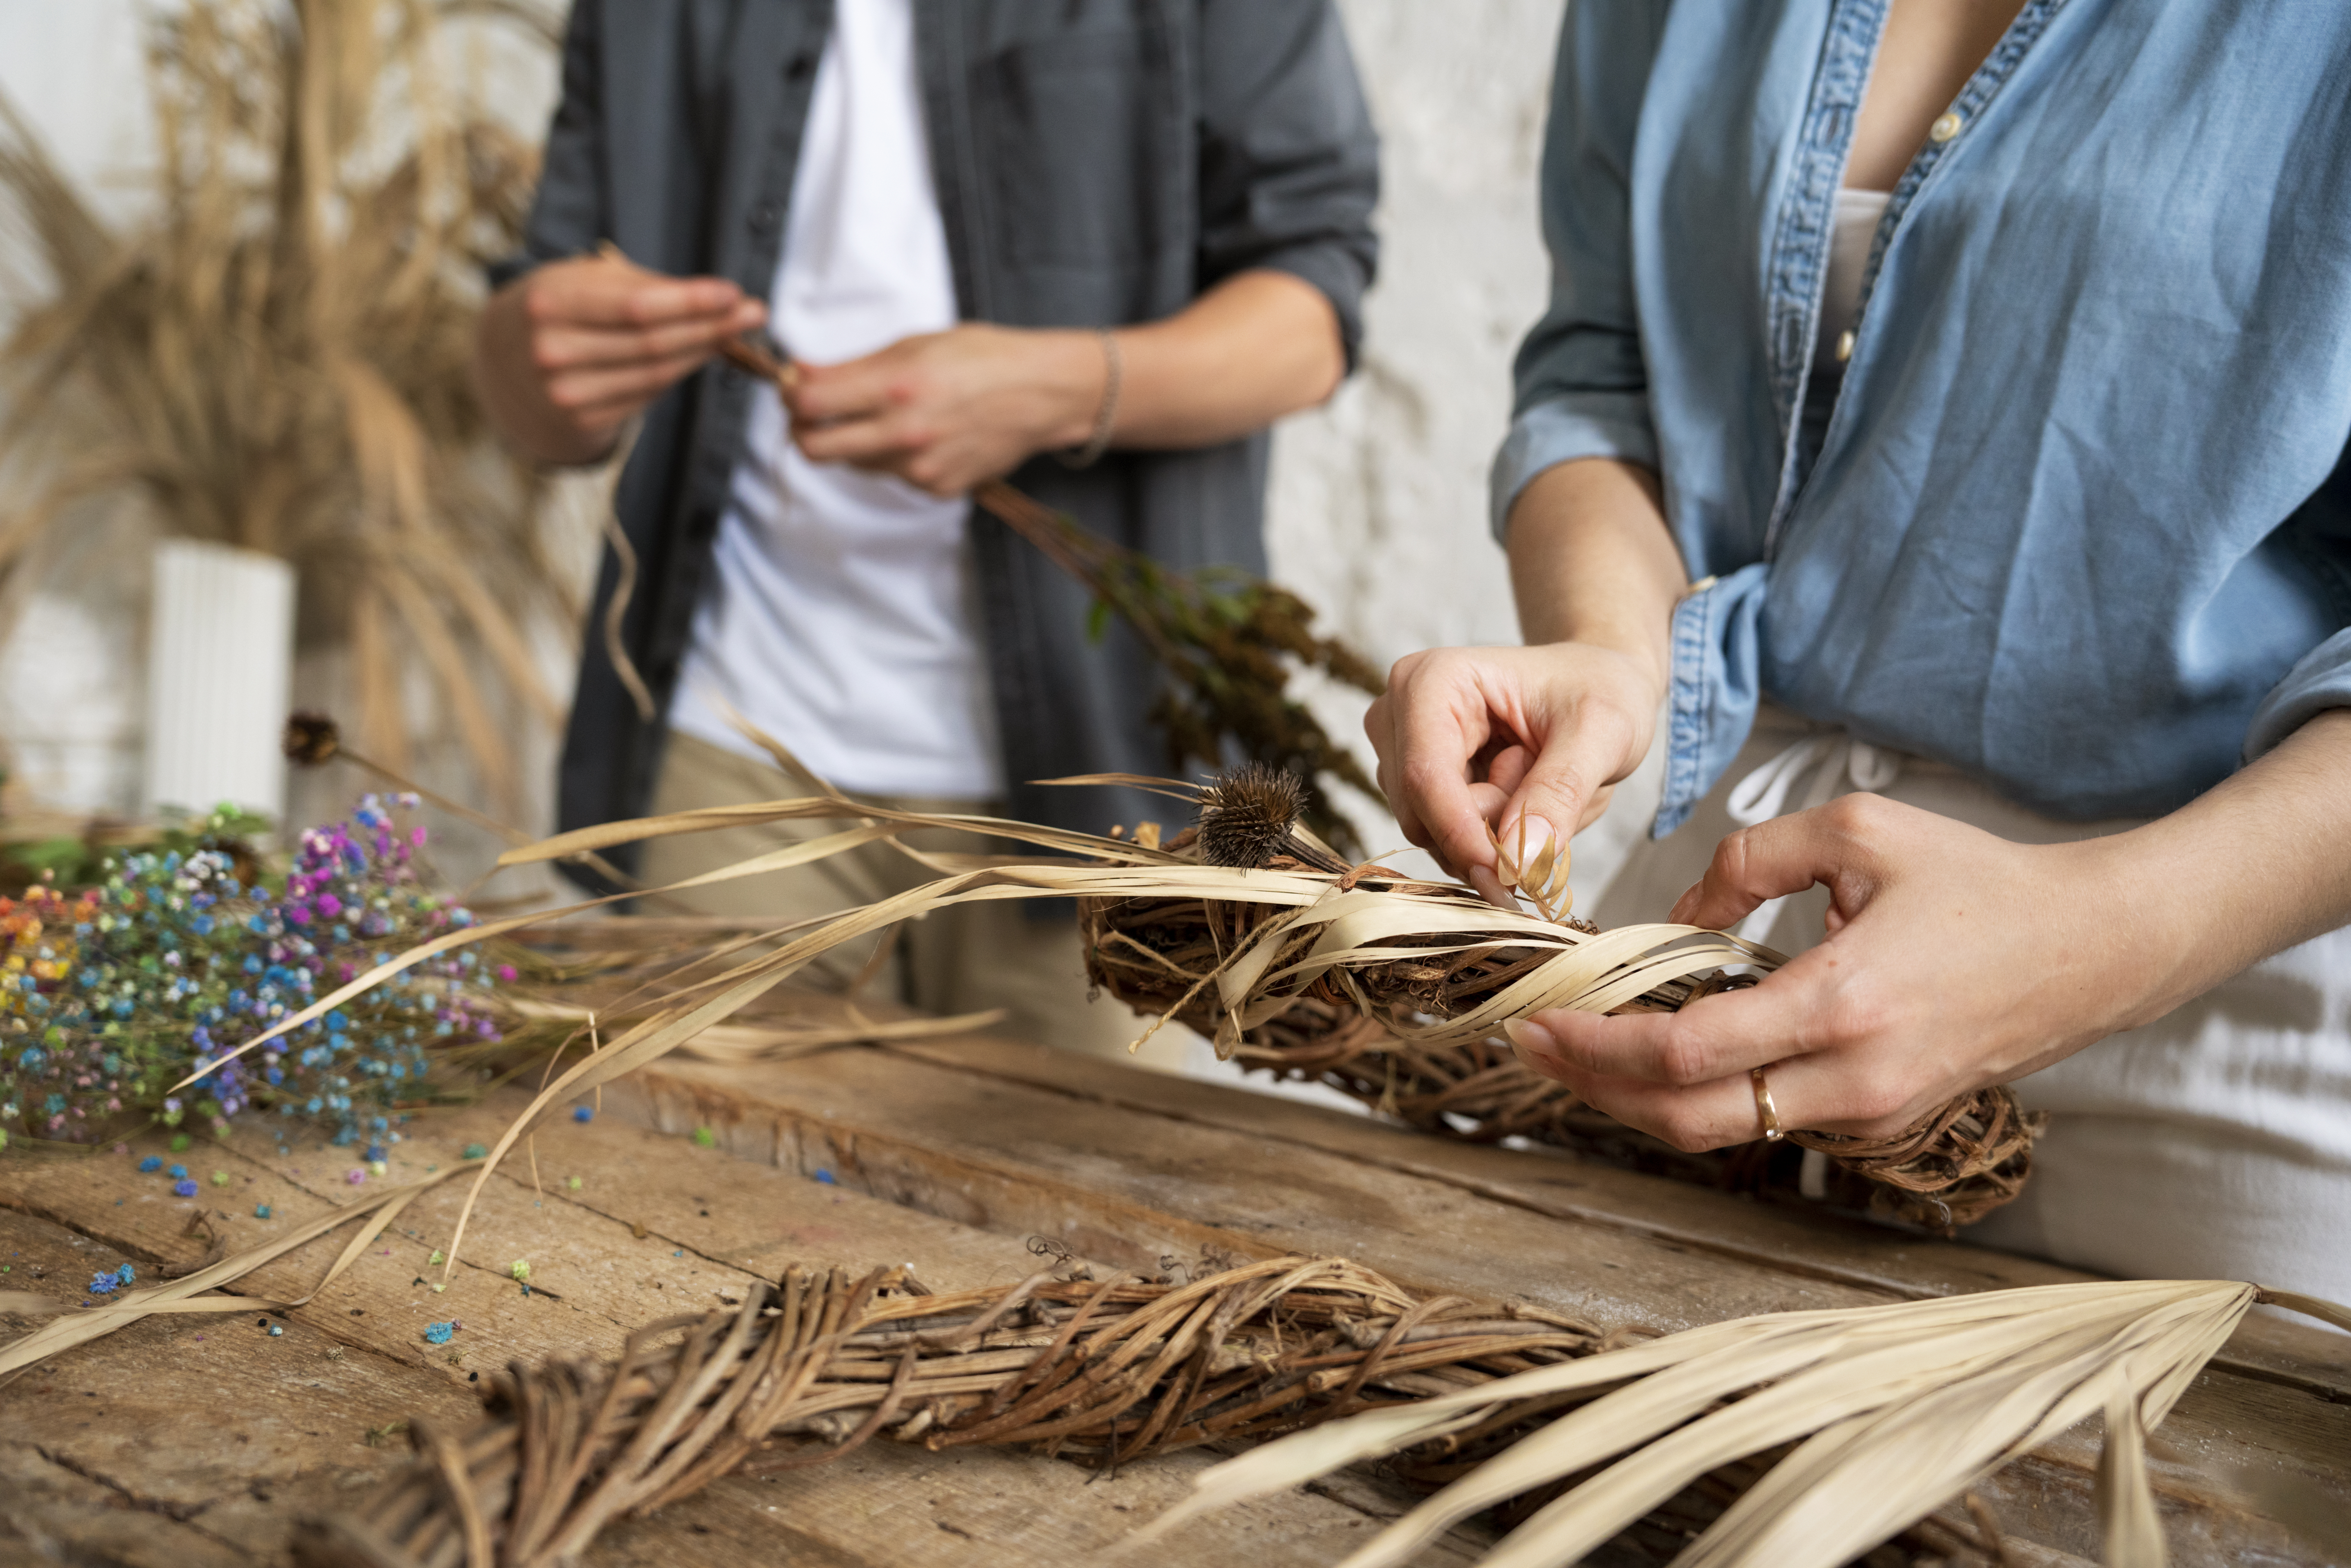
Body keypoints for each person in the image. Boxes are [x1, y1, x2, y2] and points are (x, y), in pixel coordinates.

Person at [1368, 0, 2351, 1300]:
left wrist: (2100, 941)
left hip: (2217, 1010)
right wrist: (1613, 652)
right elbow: (1603, 379)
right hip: (1716, 958)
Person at [473, 1, 1378, 1058]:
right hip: (727, 765)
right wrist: (530, 358)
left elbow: (1312, 308)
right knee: (689, 1148)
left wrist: (1058, 389)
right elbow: (536, 379)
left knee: (1067, 1169)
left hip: (1096, 806)